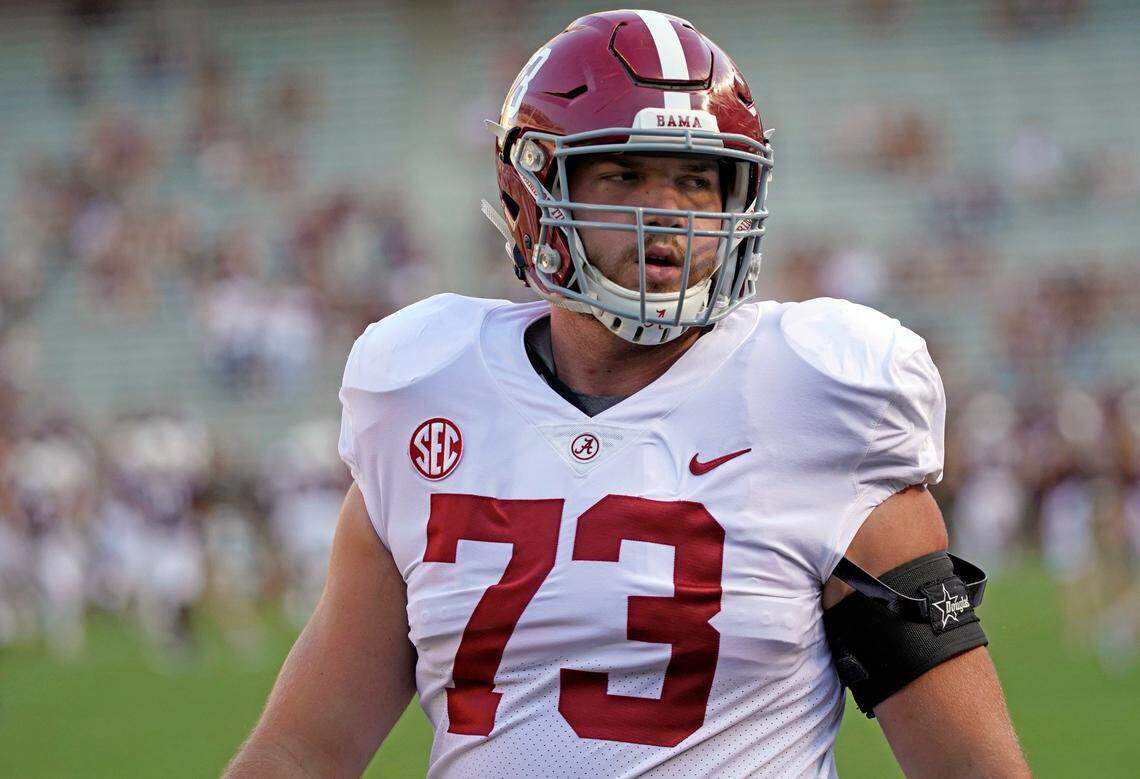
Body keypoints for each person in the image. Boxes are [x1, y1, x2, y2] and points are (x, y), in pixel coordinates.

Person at [226, 10, 1029, 777]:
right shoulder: (424, 392)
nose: (670, 213)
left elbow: (967, 764)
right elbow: (303, 752)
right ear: (530, 190)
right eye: (624, 173)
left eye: (697, 179)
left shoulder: (823, 399)